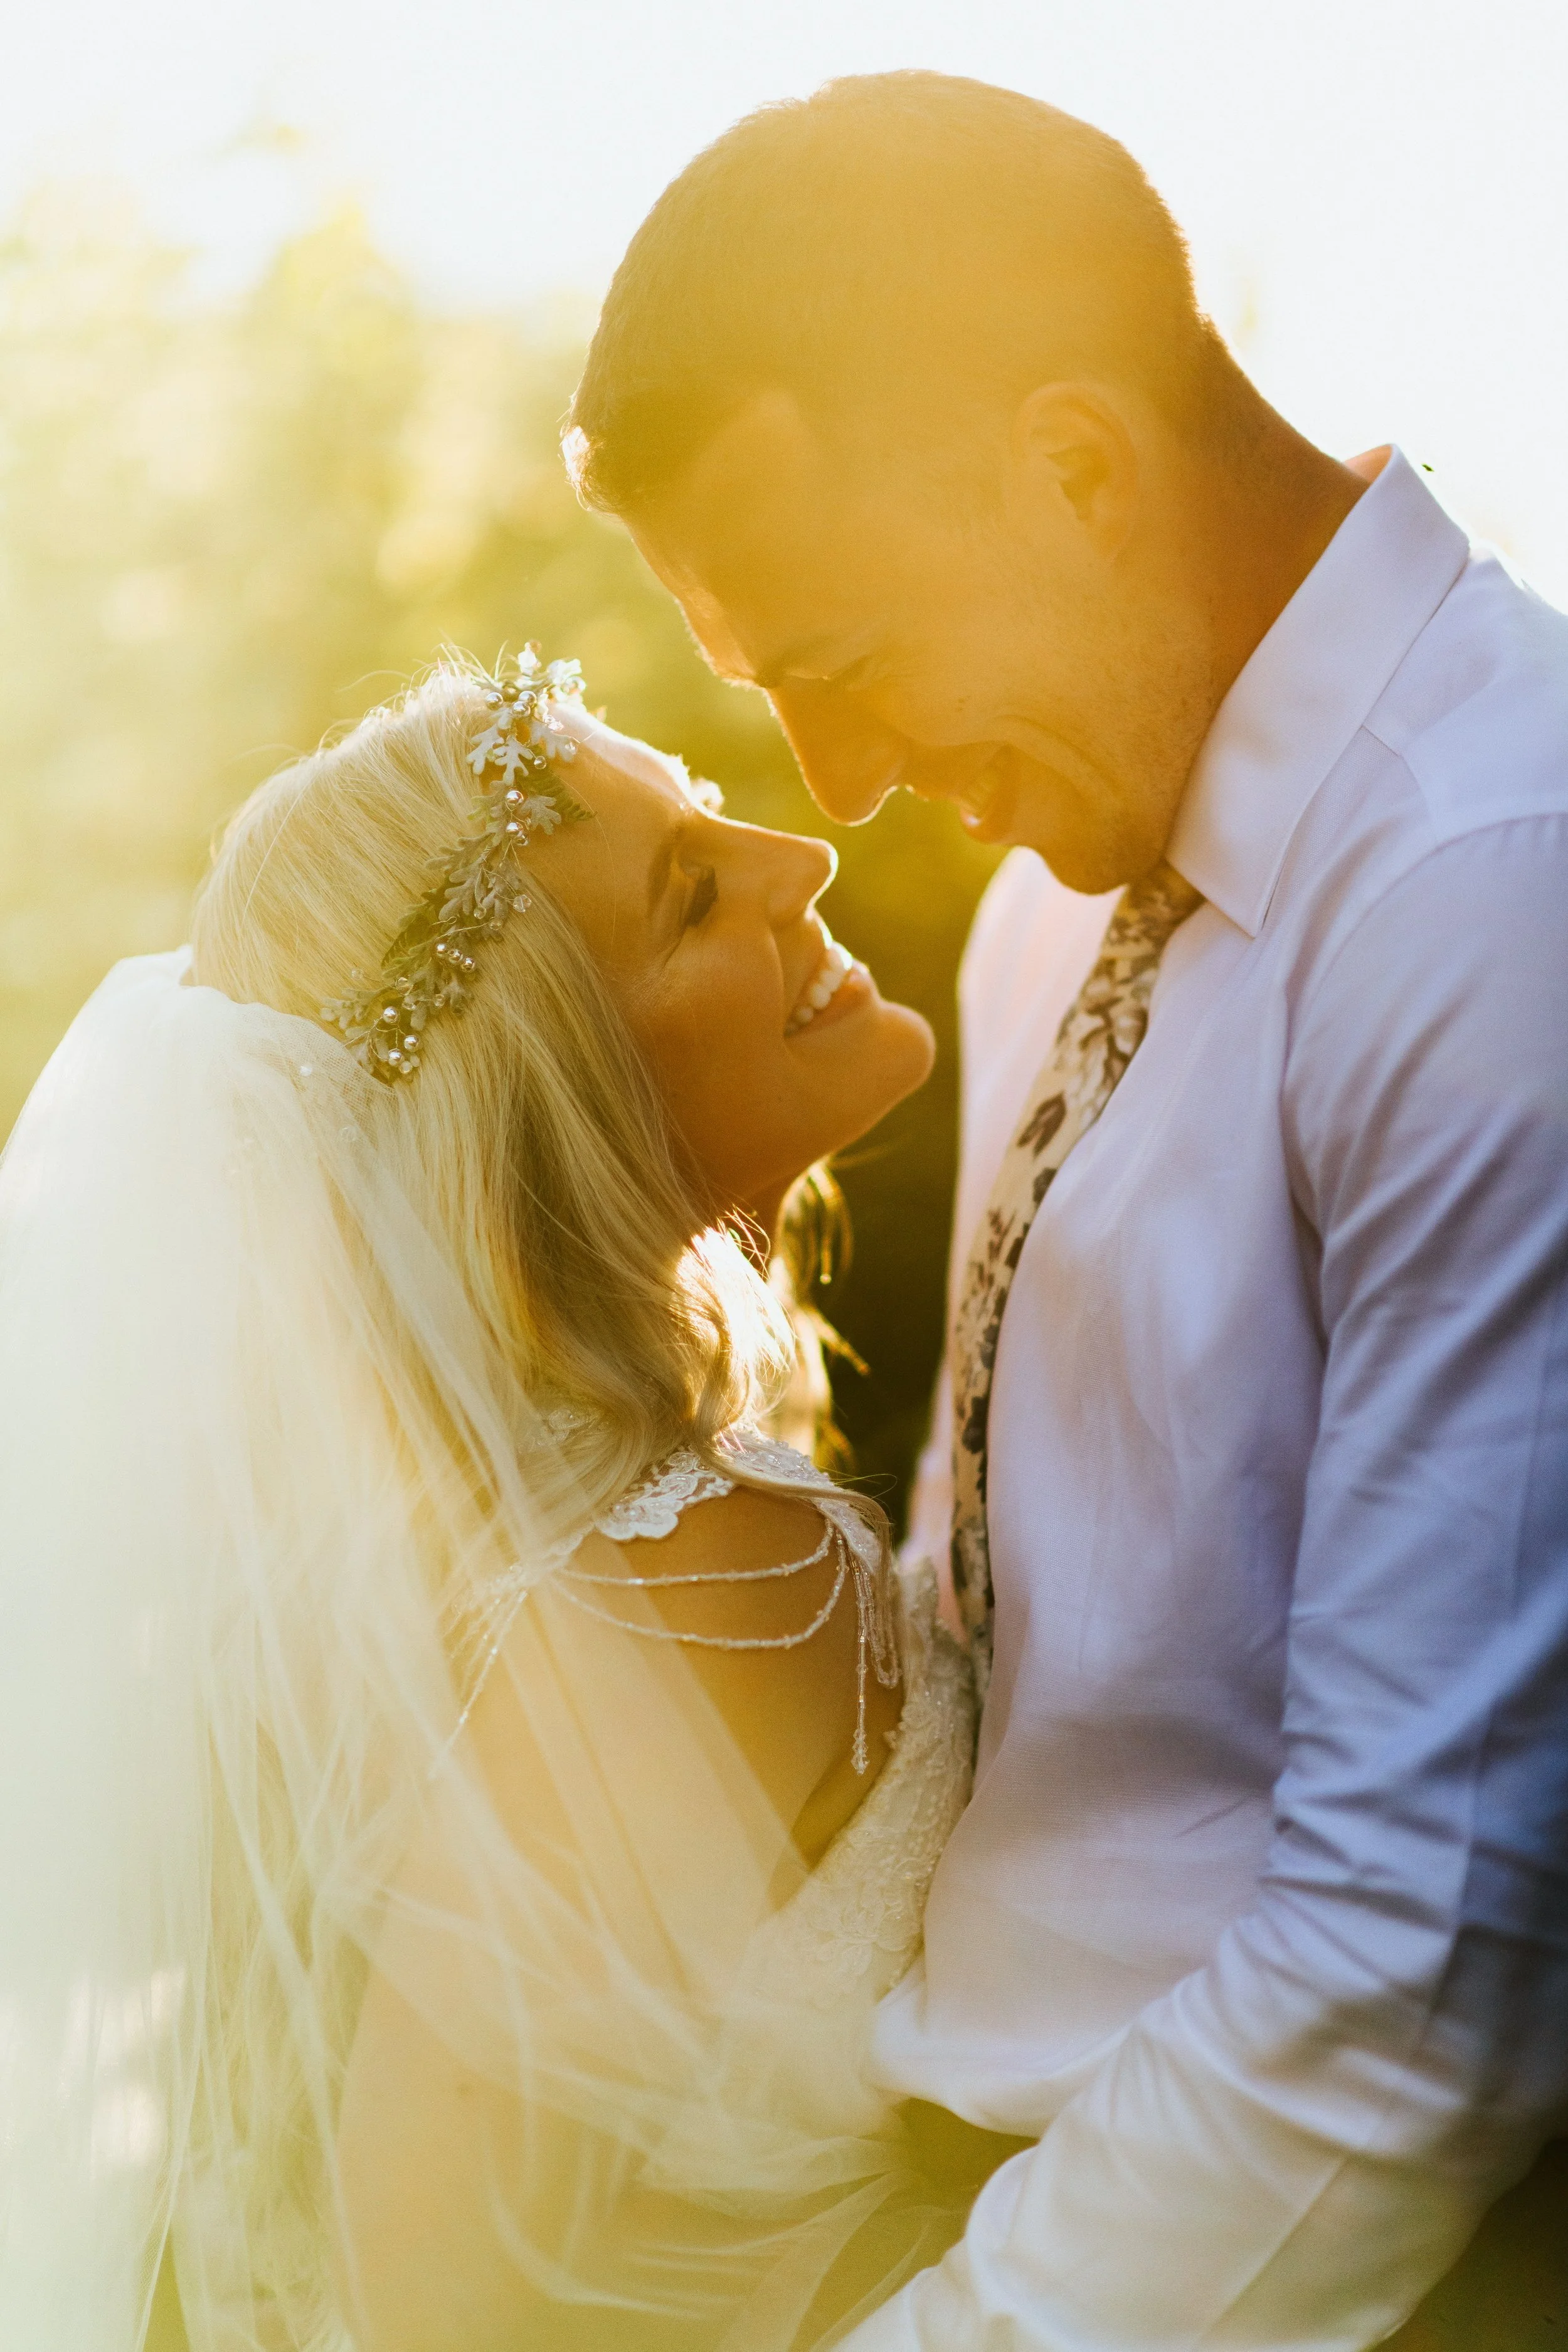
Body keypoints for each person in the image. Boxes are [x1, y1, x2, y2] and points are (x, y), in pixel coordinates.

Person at [564, 68, 1568, 2349]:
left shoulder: (1495, 887)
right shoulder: (1050, 900)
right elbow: (1014, 1660)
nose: (839, 791)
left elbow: (1423, 1966)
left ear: (1077, 466)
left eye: (833, 663)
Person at [0, 650, 1013, 2352]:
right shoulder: (697, 1582)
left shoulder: (551, 1548)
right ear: (558, 1091)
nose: (804, 860)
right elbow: (432, 2301)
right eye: (694, 893)